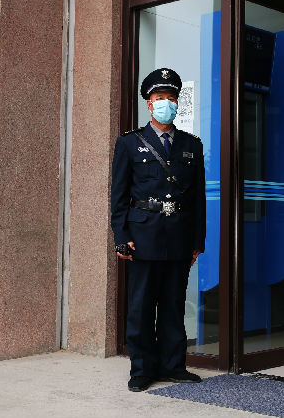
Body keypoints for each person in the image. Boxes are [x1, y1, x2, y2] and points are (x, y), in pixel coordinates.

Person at [110, 68, 205, 392]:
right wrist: (121, 237)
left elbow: (198, 198)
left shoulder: (192, 145)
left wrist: (197, 241)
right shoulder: (129, 143)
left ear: (178, 104)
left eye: (171, 98)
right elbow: (119, 196)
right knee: (141, 306)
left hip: (179, 235)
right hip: (143, 236)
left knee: (173, 304)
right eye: (160, 98)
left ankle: (173, 365)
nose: (167, 103)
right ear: (149, 104)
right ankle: (142, 369)